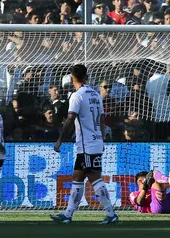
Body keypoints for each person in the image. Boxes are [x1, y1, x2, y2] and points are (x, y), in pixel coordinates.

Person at [51, 64, 119, 224]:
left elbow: (70, 119)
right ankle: (68, 215)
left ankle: (111, 214)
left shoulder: (77, 96)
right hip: (94, 142)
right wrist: (101, 138)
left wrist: (60, 139)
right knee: (77, 176)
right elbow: (102, 119)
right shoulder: (95, 94)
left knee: (93, 176)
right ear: (86, 76)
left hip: (86, 144)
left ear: (72, 77)